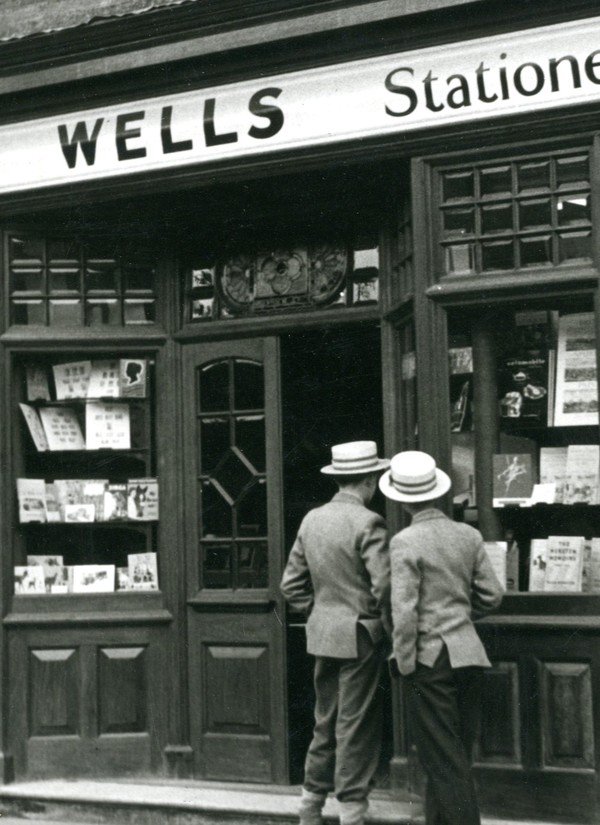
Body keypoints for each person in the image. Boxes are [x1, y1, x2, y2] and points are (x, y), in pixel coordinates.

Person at [380, 450, 503, 825]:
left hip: (429, 661)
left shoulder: (405, 541)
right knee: (452, 756)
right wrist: (462, 619)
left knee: (443, 760)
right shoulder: (468, 535)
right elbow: (493, 595)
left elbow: (404, 612)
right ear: (437, 492)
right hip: (468, 655)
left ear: (401, 500)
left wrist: (403, 663)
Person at [280, 441, 392, 825]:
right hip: (361, 635)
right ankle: (352, 812)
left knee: (325, 720)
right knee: (355, 724)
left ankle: (310, 807)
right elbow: (386, 588)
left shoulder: (312, 519)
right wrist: (380, 625)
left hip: (323, 634)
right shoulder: (369, 522)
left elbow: (291, 585)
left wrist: (320, 613)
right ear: (371, 481)